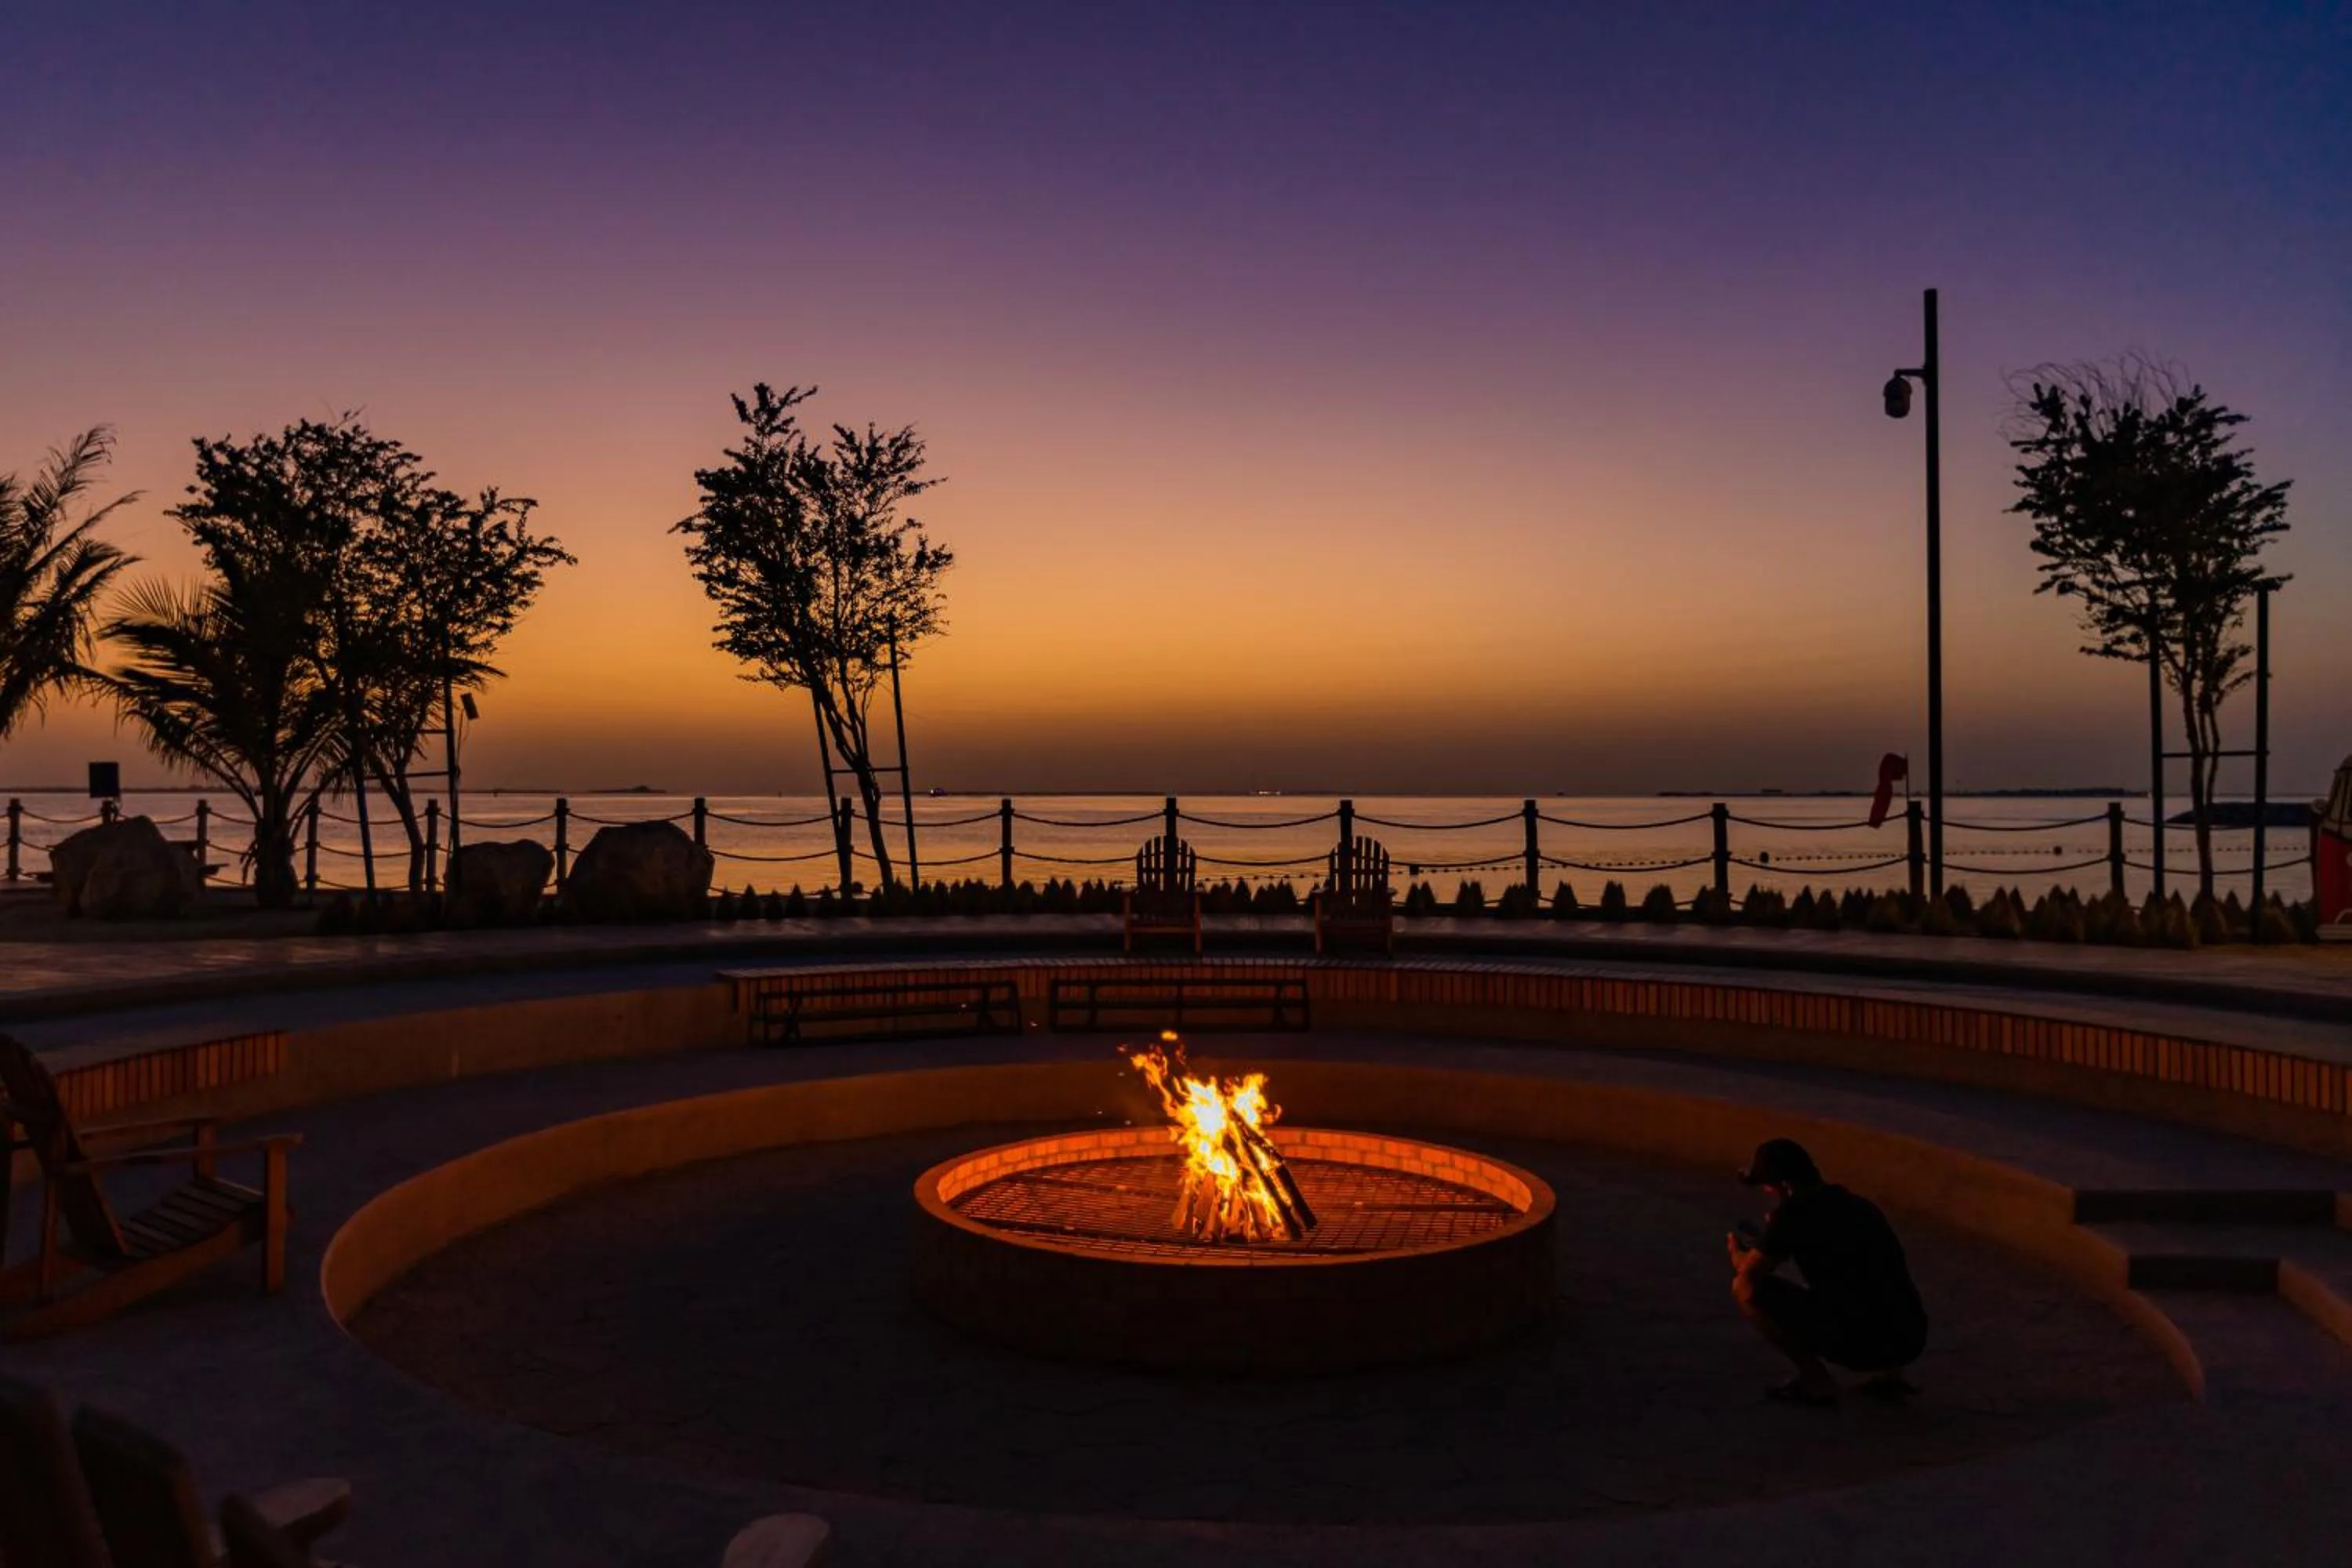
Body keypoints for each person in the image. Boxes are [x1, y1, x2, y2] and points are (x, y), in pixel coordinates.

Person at [1727, 1138, 1926, 1407]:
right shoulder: (1859, 1206)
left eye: (1768, 1186)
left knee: (1743, 1288)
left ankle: (1817, 1383)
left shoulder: (1794, 1217)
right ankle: (1890, 1377)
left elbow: (1751, 1277)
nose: (1766, 1192)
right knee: (1872, 1282)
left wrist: (1739, 1255)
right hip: (1911, 1337)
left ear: (1785, 1186)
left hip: (1863, 1345)